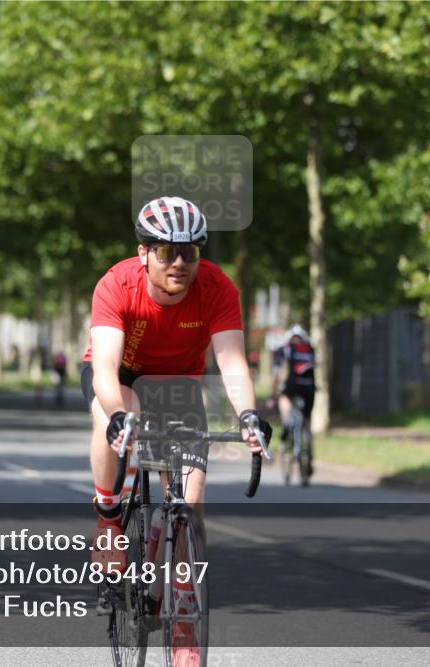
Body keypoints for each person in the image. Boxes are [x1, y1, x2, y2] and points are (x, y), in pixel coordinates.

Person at [81, 196, 271, 662]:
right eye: (167, 252)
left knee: (192, 500)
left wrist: (248, 415)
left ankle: (183, 618)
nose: (180, 263)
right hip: (122, 378)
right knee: (117, 412)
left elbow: (230, 362)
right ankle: (109, 519)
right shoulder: (117, 284)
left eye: (191, 251)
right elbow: (104, 367)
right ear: (144, 252)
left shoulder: (217, 287)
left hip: (180, 385)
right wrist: (120, 412)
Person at [270, 324, 316, 459]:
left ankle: (286, 429)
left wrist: (273, 395)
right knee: (307, 421)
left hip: (292, 386)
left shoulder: (284, 349)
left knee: (284, 402)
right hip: (309, 387)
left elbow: (276, 374)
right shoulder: (310, 349)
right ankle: (309, 454)